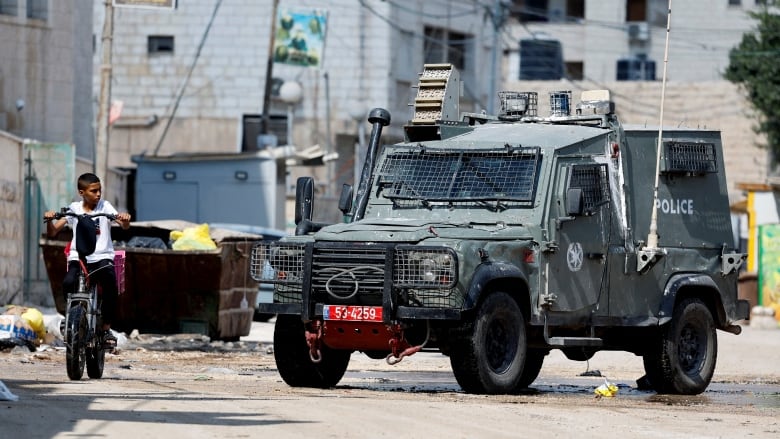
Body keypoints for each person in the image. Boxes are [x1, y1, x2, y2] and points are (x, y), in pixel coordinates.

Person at [44, 173, 131, 350]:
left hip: (102, 258)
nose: (98, 194)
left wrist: (125, 219)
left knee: (110, 285)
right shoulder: (74, 208)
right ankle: (69, 318)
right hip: (79, 258)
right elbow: (53, 232)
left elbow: (123, 225)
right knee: (68, 282)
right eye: (93, 191)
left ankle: (106, 330)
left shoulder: (105, 206)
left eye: (99, 190)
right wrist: (50, 219)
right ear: (82, 192)